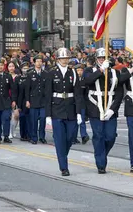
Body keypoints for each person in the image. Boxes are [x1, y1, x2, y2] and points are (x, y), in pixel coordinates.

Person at [83, 48, 127, 173]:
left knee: (111, 136)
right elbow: (88, 81)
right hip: (94, 108)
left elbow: (119, 93)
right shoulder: (89, 70)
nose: (102, 60)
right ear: (96, 59)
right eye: (100, 58)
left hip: (109, 108)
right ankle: (101, 164)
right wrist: (101, 70)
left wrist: (113, 109)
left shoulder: (114, 73)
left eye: (104, 58)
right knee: (98, 135)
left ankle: (102, 153)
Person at [44, 48, 84, 176]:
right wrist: (48, 115)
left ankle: (62, 155)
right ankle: (64, 167)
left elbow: (78, 94)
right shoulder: (51, 73)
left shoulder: (72, 72)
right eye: (62, 58)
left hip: (71, 108)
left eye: (67, 58)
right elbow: (48, 95)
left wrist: (78, 112)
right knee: (60, 139)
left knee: (71, 136)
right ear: (58, 60)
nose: (65, 60)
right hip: (57, 108)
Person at [25, 55, 48, 144]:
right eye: (37, 61)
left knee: (43, 119)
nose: (39, 63)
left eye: (40, 61)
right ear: (34, 63)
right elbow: (27, 89)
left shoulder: (46, 73)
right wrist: (27, 100)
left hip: (43, 100)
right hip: (33, 100)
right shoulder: (30, 74)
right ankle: (34, 137)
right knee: (33, 121)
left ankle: (42, 136)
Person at [15, 62, 30, 141]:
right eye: (24, 68)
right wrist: (17, 104)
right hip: (21, 101)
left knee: (29, 119)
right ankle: (23, 135)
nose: (25, 70)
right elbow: (16, 92)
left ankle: (28, 134)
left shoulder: (30, 77)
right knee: (22, 118)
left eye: (27, 68)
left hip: (29, 101)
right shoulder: (18, 78)